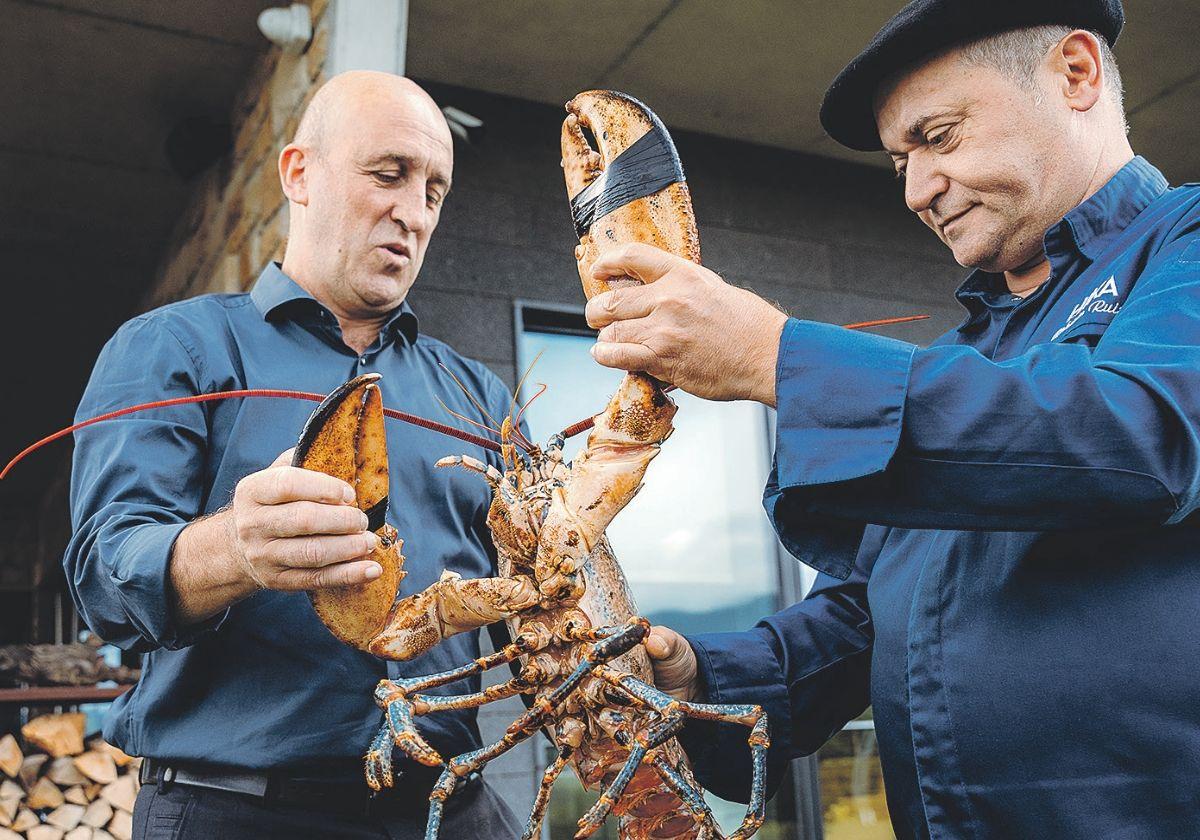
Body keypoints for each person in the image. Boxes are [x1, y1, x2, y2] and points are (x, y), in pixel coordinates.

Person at [585, 0, 1200, 836]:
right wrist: (701, 678)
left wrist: (778, 358)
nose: (916, 190)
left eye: (940, 136)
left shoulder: (1184, 246)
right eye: (899, 162)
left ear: (1076, 74)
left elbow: (1142, 432)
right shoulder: (971, 351)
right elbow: (865, 617)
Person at [65, 72, 524, 839]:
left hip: (450, 807)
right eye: (389, 174)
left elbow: (542, 592)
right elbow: (103, 577)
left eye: (435, 192)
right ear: (298, 174)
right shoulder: (173, 348)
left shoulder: (481, 395)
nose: (412, 212)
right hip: (235, 809)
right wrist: (233, 548)